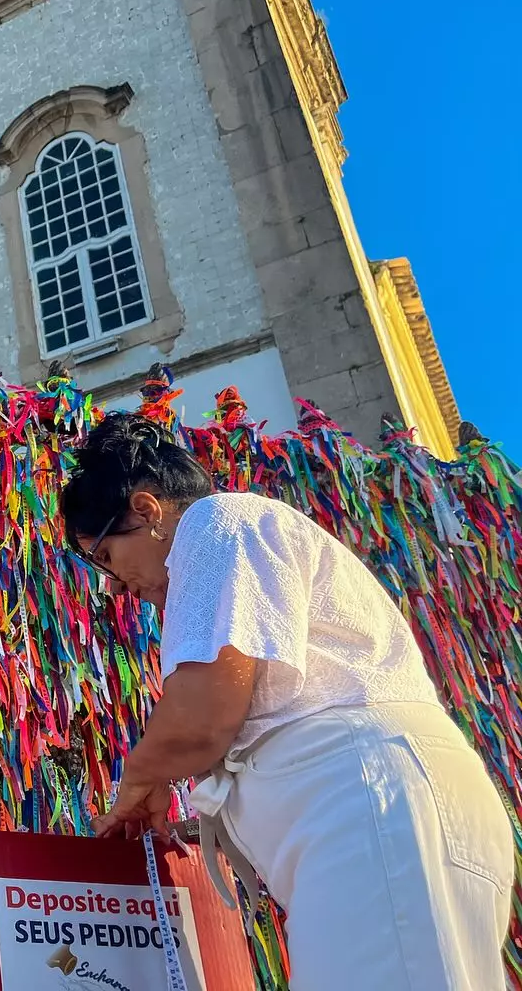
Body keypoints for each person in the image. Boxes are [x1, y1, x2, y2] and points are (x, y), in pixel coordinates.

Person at [61, 413, 515, 990]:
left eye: (103, 556)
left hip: (368, 807)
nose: (112, 585)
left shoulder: (214, 523)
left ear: (148, 511)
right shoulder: (228, 541)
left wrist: (140, 780)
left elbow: (201, 718)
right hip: (375, 812)